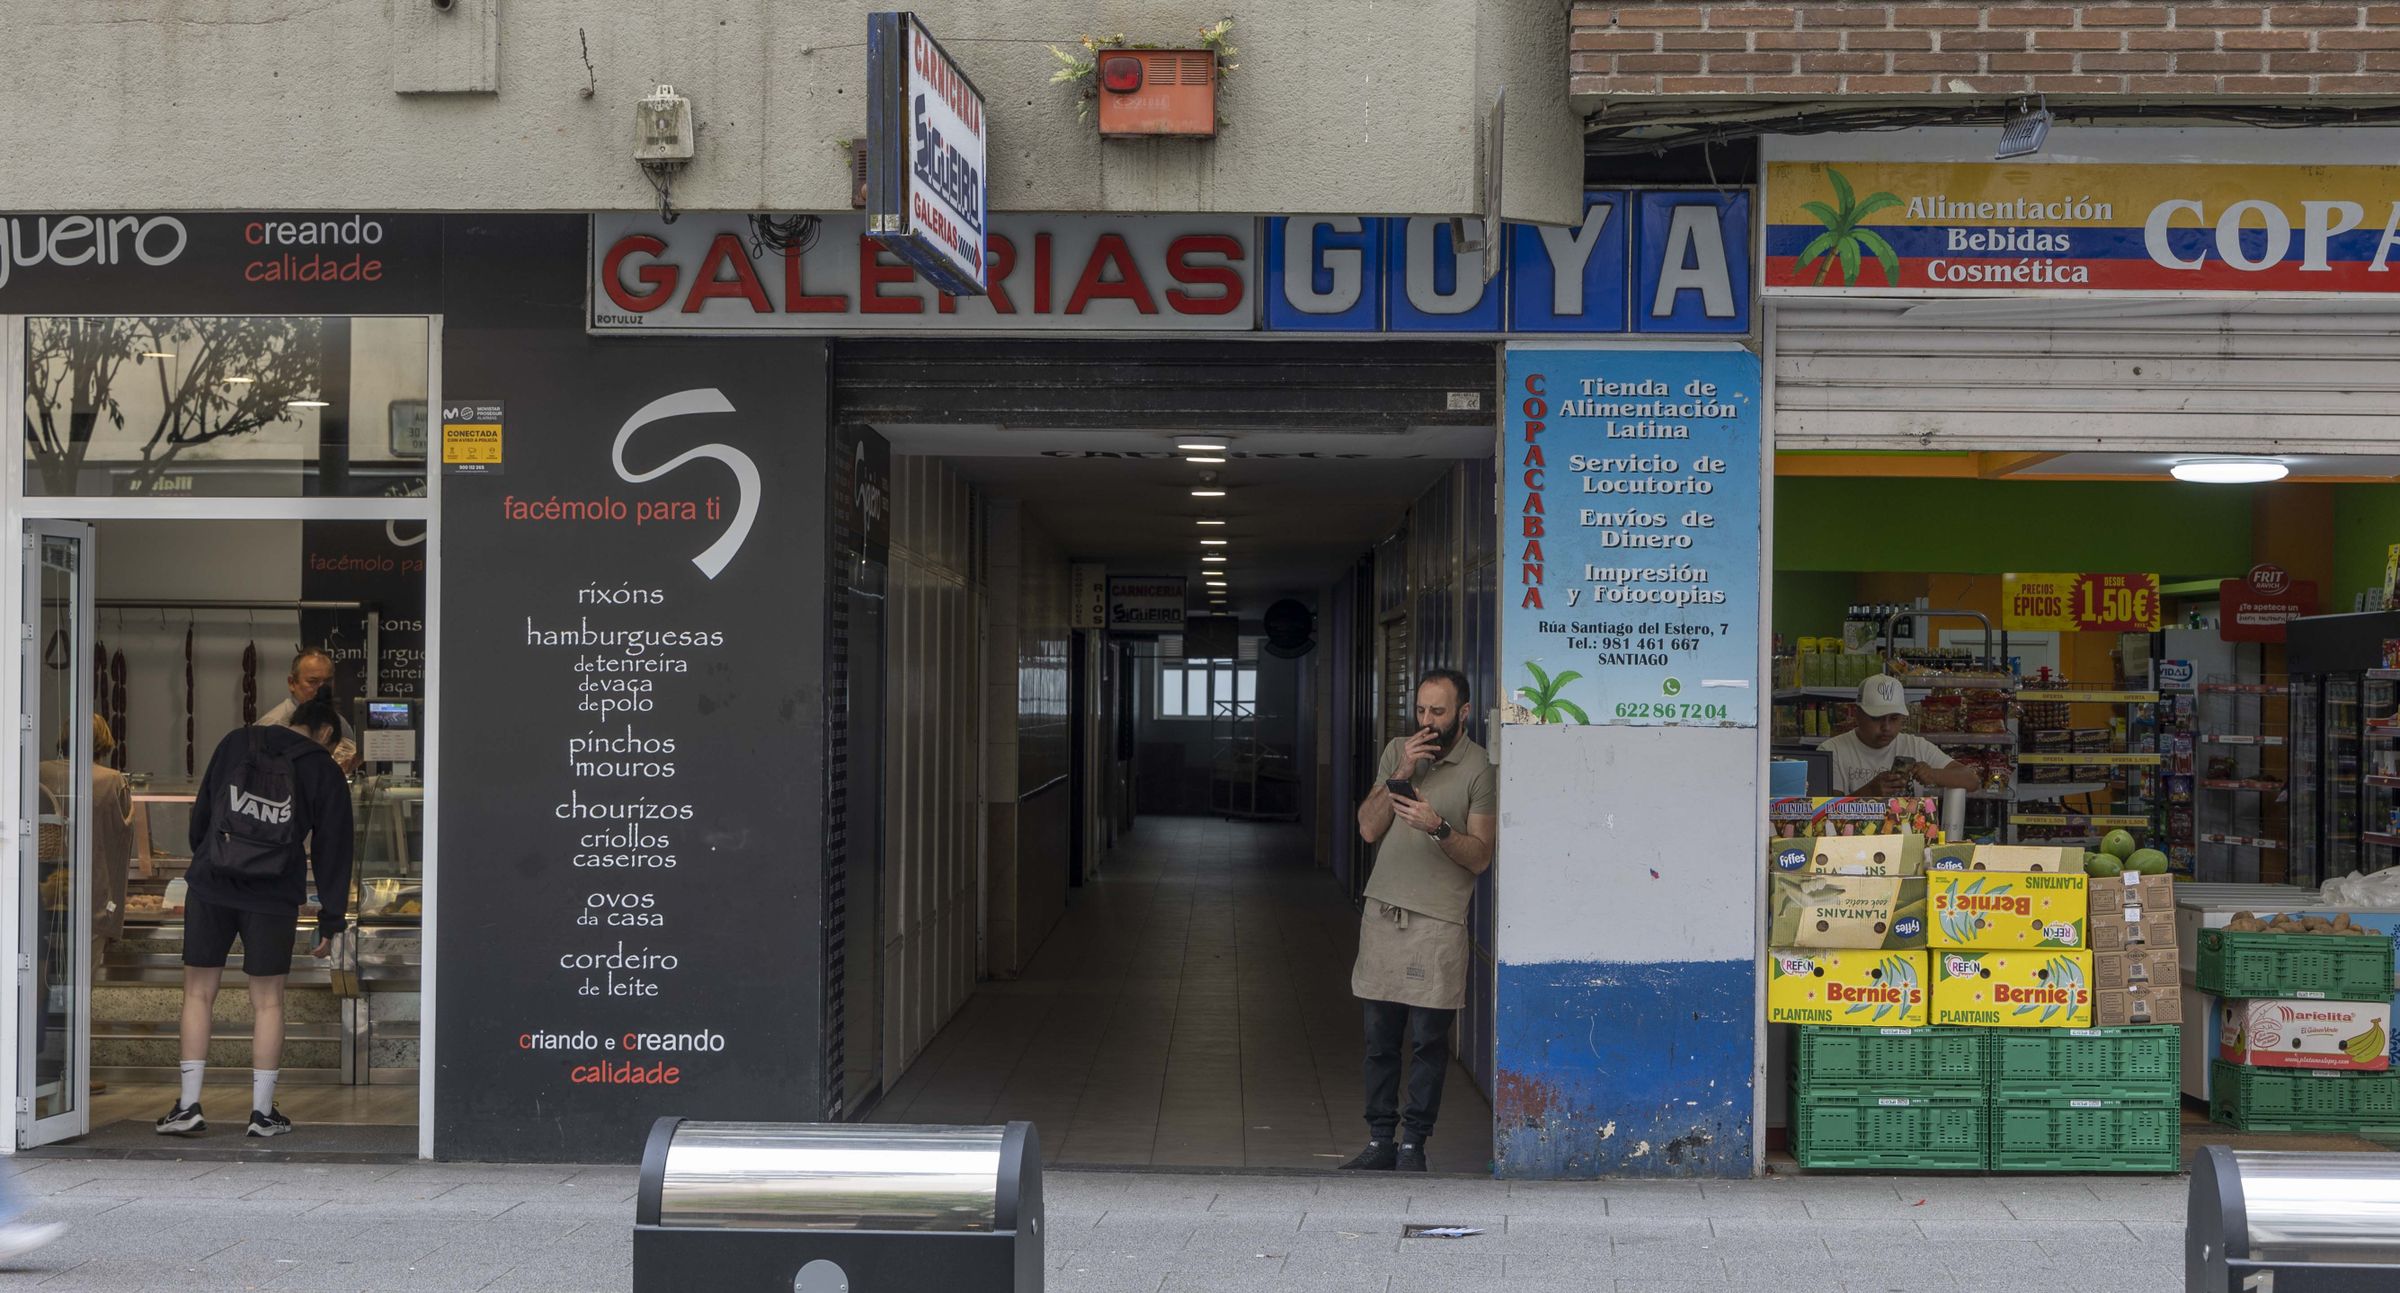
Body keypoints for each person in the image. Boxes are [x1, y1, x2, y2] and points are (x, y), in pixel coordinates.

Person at [156, 690, 352, 1139]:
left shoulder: (236, 741)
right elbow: (333, 850)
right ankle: (262, 1114)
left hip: (213, 883)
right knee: (267, 1001)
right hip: (274, 892)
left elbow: (202, 811)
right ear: (324, 732)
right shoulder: (322, 767)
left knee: (198, 994)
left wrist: (211, 859)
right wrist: (332, 919)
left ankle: (188, 1106)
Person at [1343, 668, 1498, 1173]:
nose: (1427, 722)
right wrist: (1401, 774)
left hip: (1439, 922)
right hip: (1383, 912)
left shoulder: (1480, 768)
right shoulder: (1397, 751)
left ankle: (1414, 1146)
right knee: (1378, 1040)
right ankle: (1380, 1140)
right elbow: (1368, 829)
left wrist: (1438, 827)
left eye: (1439, 712)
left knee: (1429, 1042)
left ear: (1464, 713)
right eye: (1422, 711)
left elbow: (1479, 857)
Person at [37, 715, 136, 1093]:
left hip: (42, 891)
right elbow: (119, 842)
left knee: (38, 980)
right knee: (80, 987)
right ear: (104, 742)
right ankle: (74, 1074)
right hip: (88, 896)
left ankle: (35, 1063)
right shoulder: (110, 780)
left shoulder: (36, 771)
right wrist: (114, 908)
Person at [1822, 674, 1982, 797]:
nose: (1886, 727)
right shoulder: (1831, 750)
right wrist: (1870, 792)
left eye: (1894, 718)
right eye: (1876, 718)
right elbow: (1823, 811)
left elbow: (1972, 780)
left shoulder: (1917, 746)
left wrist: (1934, 774)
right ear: (1858, 714)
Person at [256, 648, 359, 773]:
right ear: (292, 683)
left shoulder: (339, 722)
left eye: (327, 682)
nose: (322, 689)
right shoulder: (272, 725)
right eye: (313, 682)